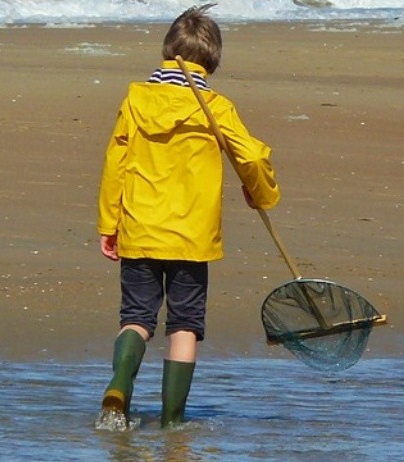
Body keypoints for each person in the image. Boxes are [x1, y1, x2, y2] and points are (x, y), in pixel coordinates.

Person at [96, 3, 280, 429]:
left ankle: (120, 383)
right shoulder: (216, 106)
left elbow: (115, 163)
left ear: (168, 52)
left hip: (141, 227)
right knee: (184, 325)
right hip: (192, 236)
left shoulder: (136, 99)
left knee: (137, 318)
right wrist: (262, 193)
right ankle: (172, 422)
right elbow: (250, 155)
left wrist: (109, 223)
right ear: (211, 60)